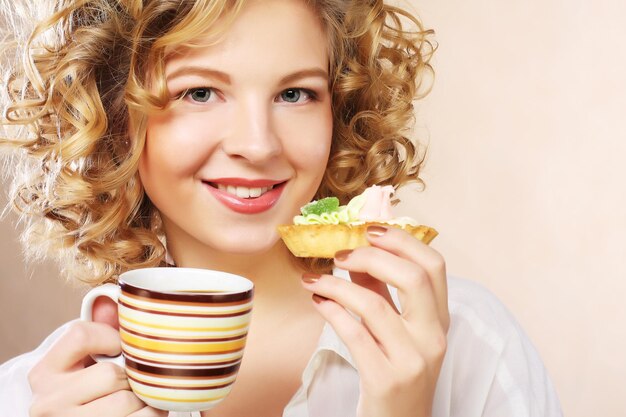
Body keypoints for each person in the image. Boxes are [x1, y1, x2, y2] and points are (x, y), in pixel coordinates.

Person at [0, 0, 563, 416]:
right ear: (114, 119)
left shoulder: (471, 346)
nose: (259, 144)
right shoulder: (31, 397)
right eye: (200, 92)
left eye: (295, 94)